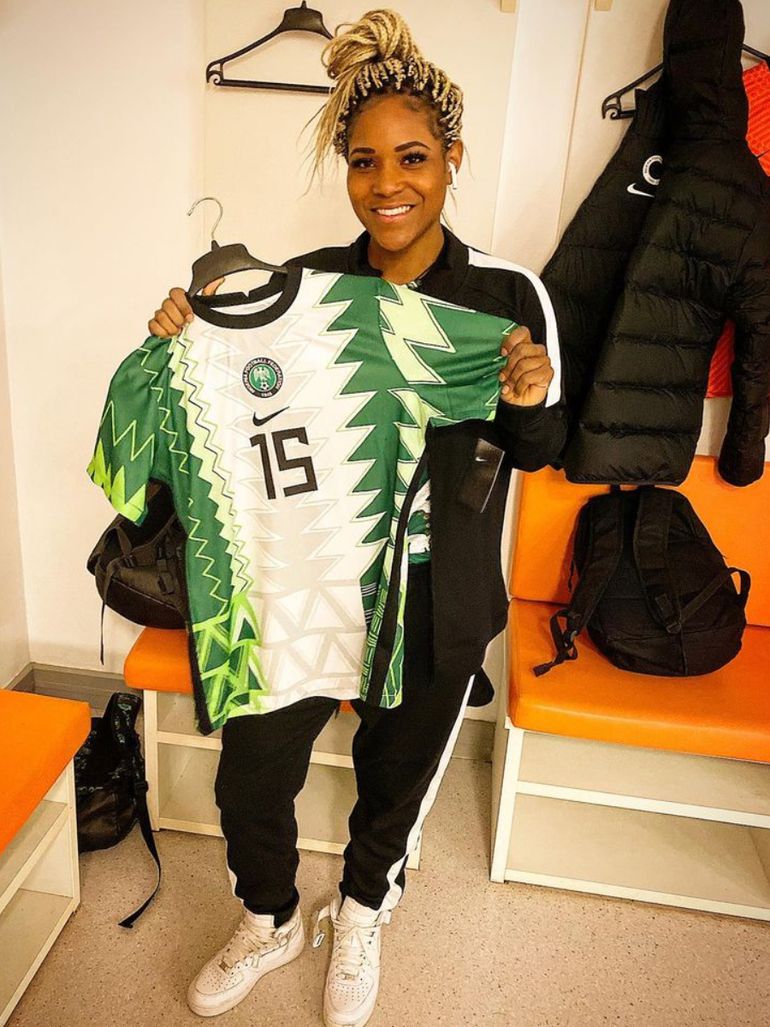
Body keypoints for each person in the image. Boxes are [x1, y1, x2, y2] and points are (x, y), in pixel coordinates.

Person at [146, 11, 565, 1027]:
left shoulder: (506, 294)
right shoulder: (306, 288)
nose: (388, 184)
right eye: (365, 161)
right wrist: (182, 341)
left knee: (395, 777)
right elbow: (231, 407)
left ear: (451, 158)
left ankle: (364, 908)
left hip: (435, 596)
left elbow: (540, 449)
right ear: (345, 169)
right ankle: (268, 916)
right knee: (252, 771)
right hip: (307, 585)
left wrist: (526, 395)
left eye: (412, 157)